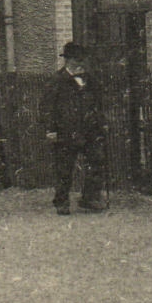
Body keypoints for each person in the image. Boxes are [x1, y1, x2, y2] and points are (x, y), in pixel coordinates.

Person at [46, 41, 107, 215]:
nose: (79, 63)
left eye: (81, 59)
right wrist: (51, 129)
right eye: (75, 60)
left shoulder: (90, 79)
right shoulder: (57, 80)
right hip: (66, 131)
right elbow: (48, 107)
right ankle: (61, 201)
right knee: (64, 168)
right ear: (67, 60)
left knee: (96, 162)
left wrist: (100, 122)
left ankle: (89, 199)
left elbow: (98, 101)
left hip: (89, 130)